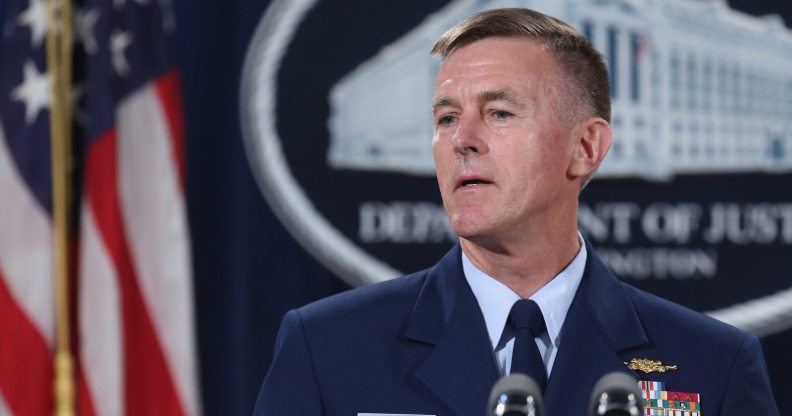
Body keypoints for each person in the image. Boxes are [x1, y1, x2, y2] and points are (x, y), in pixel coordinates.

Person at [254, 8, 779, 416]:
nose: (462, 140)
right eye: (446, 117)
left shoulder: (714, 364)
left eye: (499, 113)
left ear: (586, 148)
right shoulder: (328, 347)